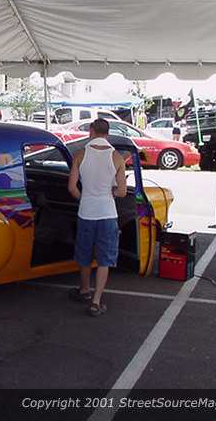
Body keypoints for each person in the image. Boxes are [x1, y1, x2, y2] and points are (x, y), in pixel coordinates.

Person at [67, 119, 127, 317]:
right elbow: (122, 192)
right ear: (107, 134)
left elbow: (72, 188)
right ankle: (96, 301)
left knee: (84, 254)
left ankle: (84, 289)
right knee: (104, 259)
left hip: (86, 212)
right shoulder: (117, 157)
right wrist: (110, 192)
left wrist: (84, 198)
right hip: (107, 213)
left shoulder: (80, 154)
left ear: (91, 131)